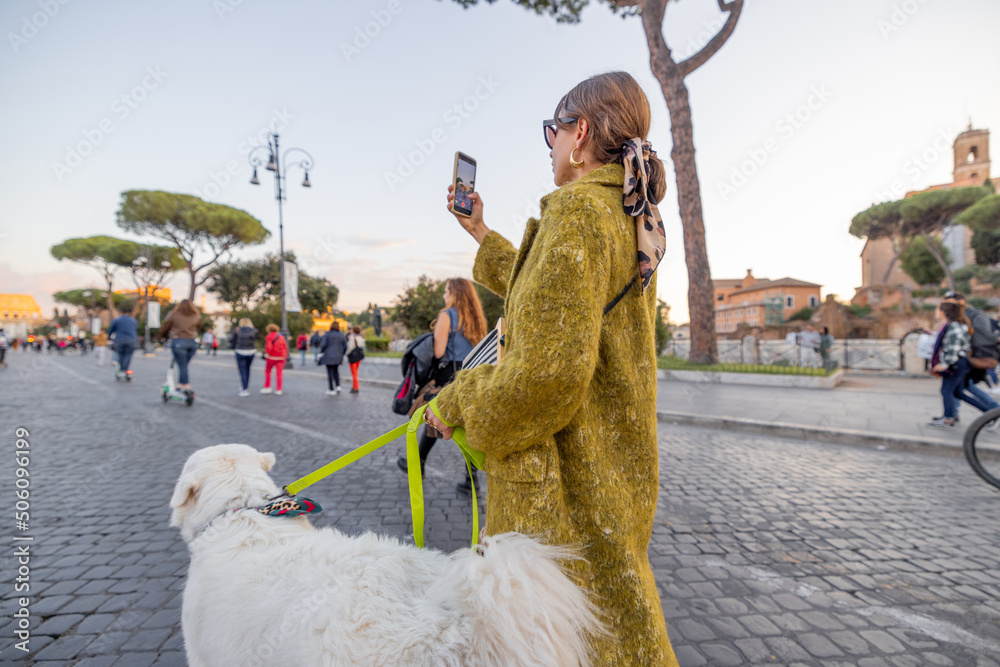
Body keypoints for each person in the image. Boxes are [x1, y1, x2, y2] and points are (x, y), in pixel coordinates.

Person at [424, 72, 677, 664]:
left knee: (562, 637)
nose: (551, 145)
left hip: (568, 466)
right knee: (617, 611)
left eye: (552, 131)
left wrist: (454, 402)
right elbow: (547, 293)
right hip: (615, 458)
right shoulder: (630, 213)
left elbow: (547, 373)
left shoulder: (578, 212)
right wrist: (481, 231)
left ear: (580, 131)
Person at [396, 278, 487, 494]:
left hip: (450, 375)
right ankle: (471, 479)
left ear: (454, 294)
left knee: (433, 418)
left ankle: (417, 465)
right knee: (466, 427)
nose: (444, 296)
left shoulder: (446, 315)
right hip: (472, 374)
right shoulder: (478, 318)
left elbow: (438, 352)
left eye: (446, 291)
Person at [929, 301, 1000, 427]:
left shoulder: (955, 326)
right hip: (961, 363)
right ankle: (991, 413)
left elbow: (953, 348)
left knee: (946, 391)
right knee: (958, 392)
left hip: (957, 363)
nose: (936, 312)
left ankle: (948, 419)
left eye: (937, 310)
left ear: (943, 312)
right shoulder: (956, 325)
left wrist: (944, 364)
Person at [160, 299, 202, 393]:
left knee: (182, 365)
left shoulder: (173, 314)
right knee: (184, 365)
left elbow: (166, 326)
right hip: (192, 343)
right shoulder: (196, 316)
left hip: (178, 341)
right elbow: (199, 328)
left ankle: (186, 386)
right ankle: (180, 384)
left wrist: (163, 336)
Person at [229, 318, 258, 397]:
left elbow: (231, 339)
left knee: (242, 371)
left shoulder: (237, 330)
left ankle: (244, 388)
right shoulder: (253, 330)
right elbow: (256, 338)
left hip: (240, 351)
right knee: (248, 369)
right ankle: (245, 387)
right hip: (251, 352)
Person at [108, 308, 139, 378]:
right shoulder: (133, 321)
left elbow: (111, 330)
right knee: (128, 355)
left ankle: (121, 369)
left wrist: (109, 338)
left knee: (120, 354)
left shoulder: (116, 320)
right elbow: (135, 330)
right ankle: (125, 369)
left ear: (120, 313)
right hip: (131, 340)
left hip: (119, 340)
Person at [319, 322, 347, 395]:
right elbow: (345, 346)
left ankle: (331, 389)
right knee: (336, 371)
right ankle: (338, 386)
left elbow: (322, 345)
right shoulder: (341, 335)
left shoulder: (327, 334)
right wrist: (341, 354)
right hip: (338, 356)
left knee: (330, 372)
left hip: (328, 356)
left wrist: (322, 352)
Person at [261, 323, 288, 396]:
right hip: (281, 357)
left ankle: (267, 387)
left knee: (268, 371)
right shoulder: (281, 337)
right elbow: (285, 347)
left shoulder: (269, 337)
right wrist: (285, 356)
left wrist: (267, 353)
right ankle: (279, 389)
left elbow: (269, 347)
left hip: (272, 357)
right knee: (279, 374)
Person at [345, 326, 366, 394]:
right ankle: (355, 386)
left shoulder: (352, 337)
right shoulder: (360, 337)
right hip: (358, 357)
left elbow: (350, 347)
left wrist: (347, 353)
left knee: (354, 373)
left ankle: (356, 387)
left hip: (353, 357)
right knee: (355, 372)